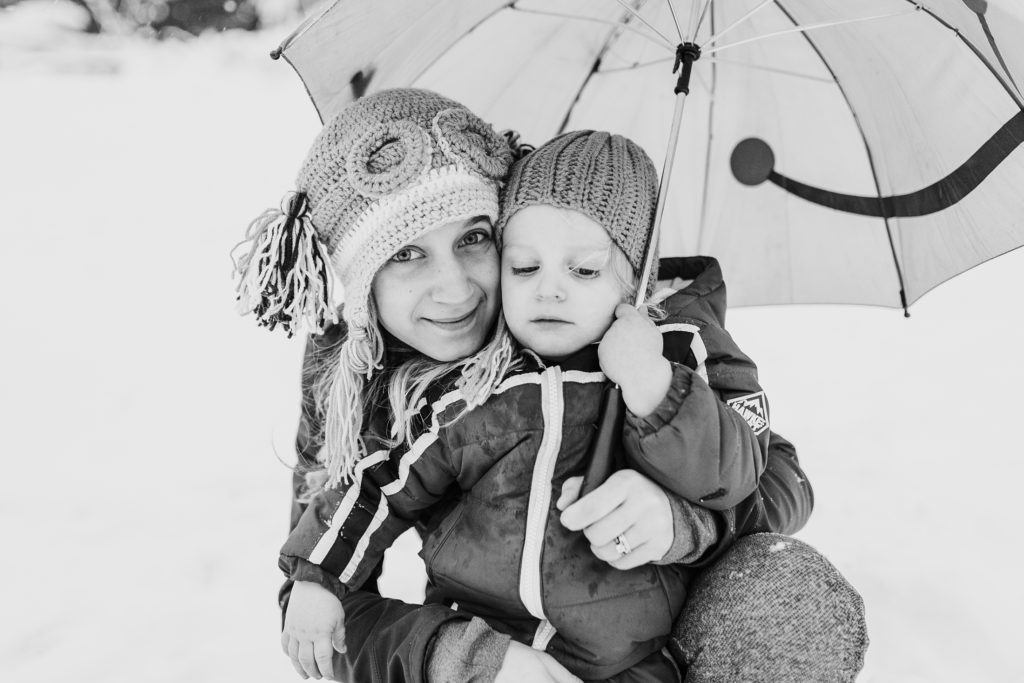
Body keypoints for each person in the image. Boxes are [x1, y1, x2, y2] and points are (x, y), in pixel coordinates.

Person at [234, 88, 863, 682]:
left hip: (635, 646)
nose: (454, 289)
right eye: (405, 253)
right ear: (358, 279)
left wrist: (679, 520)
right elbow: (335, 580)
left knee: (791, 598)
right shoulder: (357, 387)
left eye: (474, 238)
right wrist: (471, 661)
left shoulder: (643, 339)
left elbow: (774, 475)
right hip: (485, 634)